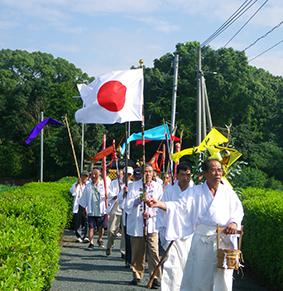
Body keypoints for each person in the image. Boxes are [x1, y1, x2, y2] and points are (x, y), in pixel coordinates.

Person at [147, 159, 244, 291]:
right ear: (205, 173)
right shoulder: (195, 192)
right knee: (199, 277)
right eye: (213, 170)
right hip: (202, 240)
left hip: (223, 242)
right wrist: (160, 204)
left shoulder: (228, 193)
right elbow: (179, 206)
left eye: (220, 170)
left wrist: (234, 222)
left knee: (223, 279)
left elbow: (238, 211)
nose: (217, 173)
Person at [125, 164, 163, 289]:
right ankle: (137, 274)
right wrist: (138, 200)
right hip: (137, 223)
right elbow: (127, 205)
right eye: (145, 171)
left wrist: (151, 212)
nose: (148, 174)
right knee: (137, 251)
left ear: (153, 173)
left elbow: (161, 204)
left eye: (150, 172)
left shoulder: (158, 186)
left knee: (153, 251)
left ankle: (155, 277)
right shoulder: (134, 186)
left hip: (152, 224)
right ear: (142, 173)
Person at [158, 163, 194, 291]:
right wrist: (164, 231)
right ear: (177, 175)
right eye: (183, 175)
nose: (185, 178)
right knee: (172, 268)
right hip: (172, 234)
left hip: (190, 236)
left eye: (188, 175)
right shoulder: (169, 190)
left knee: (189, 267)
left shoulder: (195, 191)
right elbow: (163, 212)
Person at [80, 168, 106, 248]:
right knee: (91, 226)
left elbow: (106, 195)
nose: (94, 176)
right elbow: (84, 197)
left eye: (96, 174)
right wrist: (84, 208)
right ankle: (91, 242)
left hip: (100, 209)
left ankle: (100, 239)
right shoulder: (88, 185)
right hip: (91, 209)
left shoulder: (103, 184)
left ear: (99, 175)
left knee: (100, 227)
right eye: (92, 174)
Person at [106, 168, 126, 256]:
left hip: (125, 209)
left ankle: (123, 251)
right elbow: (109, 194)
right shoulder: (114, 183)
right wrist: (117, 195)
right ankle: (109, 245)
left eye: (122, 174)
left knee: (124, 232)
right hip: (116, 207)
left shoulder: (130, 184)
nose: (120, 176)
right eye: (119, 174)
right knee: (111, 230)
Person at [117, 166, 134, 263]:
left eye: (129, 175)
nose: (127, 176)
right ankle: (128, 258)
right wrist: (124, 193)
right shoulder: (124, 186)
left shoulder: (136, 185)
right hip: (126, 213)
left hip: (137, 215)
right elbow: (120, 201)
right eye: (126, 174)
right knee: (127, 237)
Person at [69, 171, 90, 242]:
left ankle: (85, 236)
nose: (85, 178)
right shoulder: (76, 184)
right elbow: (72, 191)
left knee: (86, 220)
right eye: (83, 176)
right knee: (78, 221)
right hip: (78, 205)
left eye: (86, 176)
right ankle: (78, 236)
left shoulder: (89, 185)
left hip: (86, 205)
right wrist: (77, 184)